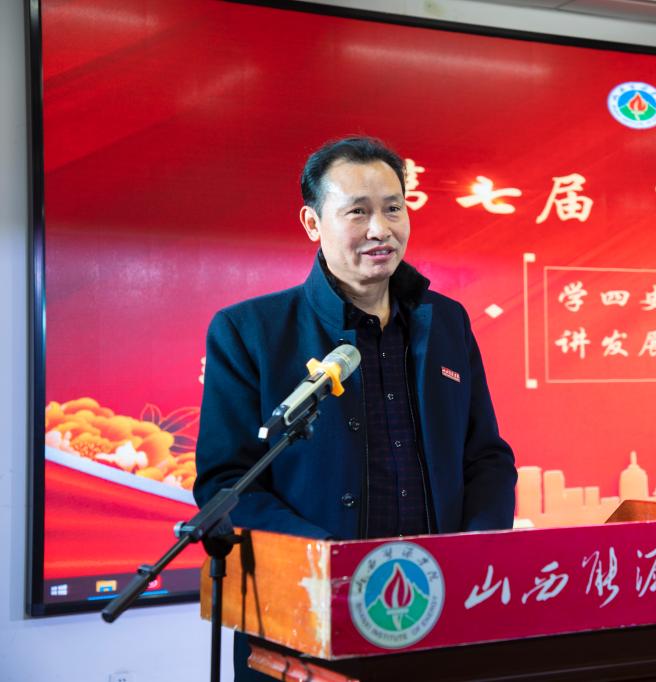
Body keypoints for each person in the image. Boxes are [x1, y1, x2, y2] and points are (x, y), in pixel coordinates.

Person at [194, 137, 517, 681]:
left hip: (438, 613)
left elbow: (486, 457)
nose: (380, 229)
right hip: (307, 620)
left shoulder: (447, 321)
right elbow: (227, 482)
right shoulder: (250, 331)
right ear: (312, 222)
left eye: (393, 208)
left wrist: (474, 553)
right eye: (358, 212)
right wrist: (333, 562)